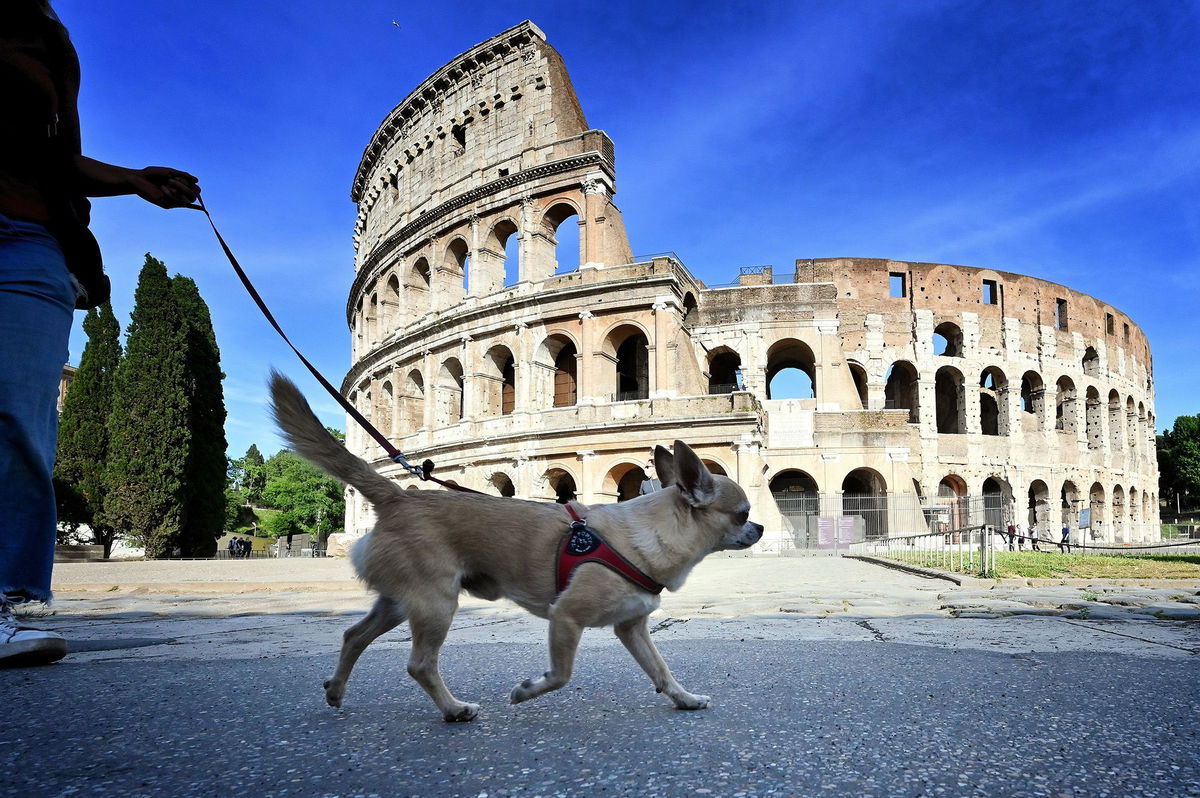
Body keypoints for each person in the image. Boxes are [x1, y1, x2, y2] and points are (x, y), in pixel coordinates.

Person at [1, 2, 200, 666]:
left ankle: (15, 602)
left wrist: (133, 181)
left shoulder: (44, 45)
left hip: (27, 239)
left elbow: (51, 158)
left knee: (20, 420)